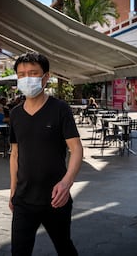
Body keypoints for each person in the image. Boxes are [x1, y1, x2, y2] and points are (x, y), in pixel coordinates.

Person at [9, 52, 83, 256]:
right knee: (19, 252)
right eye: (22, 74)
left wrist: (66, 183)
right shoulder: (15, 114)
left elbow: (76, 149)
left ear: (45, 77)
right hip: (23, 200)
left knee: (64, 247)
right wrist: (12, 191)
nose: (27, 78)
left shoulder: (60, 109)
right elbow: (15, 154)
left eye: (33, 73)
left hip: (56, 198)